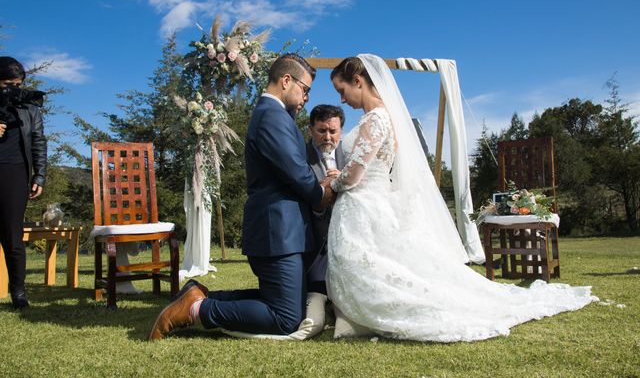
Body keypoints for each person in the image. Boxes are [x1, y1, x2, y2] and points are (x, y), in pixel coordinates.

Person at [325, 54, 597, 342]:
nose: (342, 100)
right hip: (374, 200)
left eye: (342, 91)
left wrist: (334, 181)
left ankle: (371, 315)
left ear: (358, 81)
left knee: (371, 262)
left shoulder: (375, 119)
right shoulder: (386, 117)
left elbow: (354, 176)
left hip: (365, 202)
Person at [149, 53, 335, 340]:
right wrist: (324, 189)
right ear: (286, 80)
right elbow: (299, 175)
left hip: (285, 232)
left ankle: (199, 298)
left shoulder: (278, 116)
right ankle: (196, 310)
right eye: (305, 89)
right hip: (277, 231)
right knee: (286, 318)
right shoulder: (271, 117)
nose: (307, 97)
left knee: (287, 304)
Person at [0, 56, 46, 310]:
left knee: (12, 234)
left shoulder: (30, 107)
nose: (13, 89)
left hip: (15, 172)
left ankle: (18, 291)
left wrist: (39, 175)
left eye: (18, 84)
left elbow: (38, 140)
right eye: (8, 84)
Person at [305, 104, 345, 295]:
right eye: (321, 131)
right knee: (317, 292)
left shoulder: (352, 155)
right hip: (315, 244)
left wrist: (345, 178)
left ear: (341, 132)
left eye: (333, 131)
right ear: (311, 130)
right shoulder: (300, 157)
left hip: (349, 241)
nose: (327, 137)